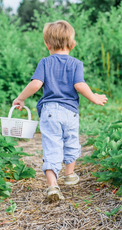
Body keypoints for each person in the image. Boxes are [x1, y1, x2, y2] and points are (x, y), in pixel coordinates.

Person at [12, 20, 108, 202]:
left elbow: (36, 84)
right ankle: (70, 174)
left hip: (49, 112)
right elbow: (79, 85)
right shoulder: (76, 63)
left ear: (47, 44)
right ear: (72, 44)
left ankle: (52, 186)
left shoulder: (45, 62)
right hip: (70, 112)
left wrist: (21, 97)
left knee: (51, 146)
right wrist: (94, 97)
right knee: (72, 141)